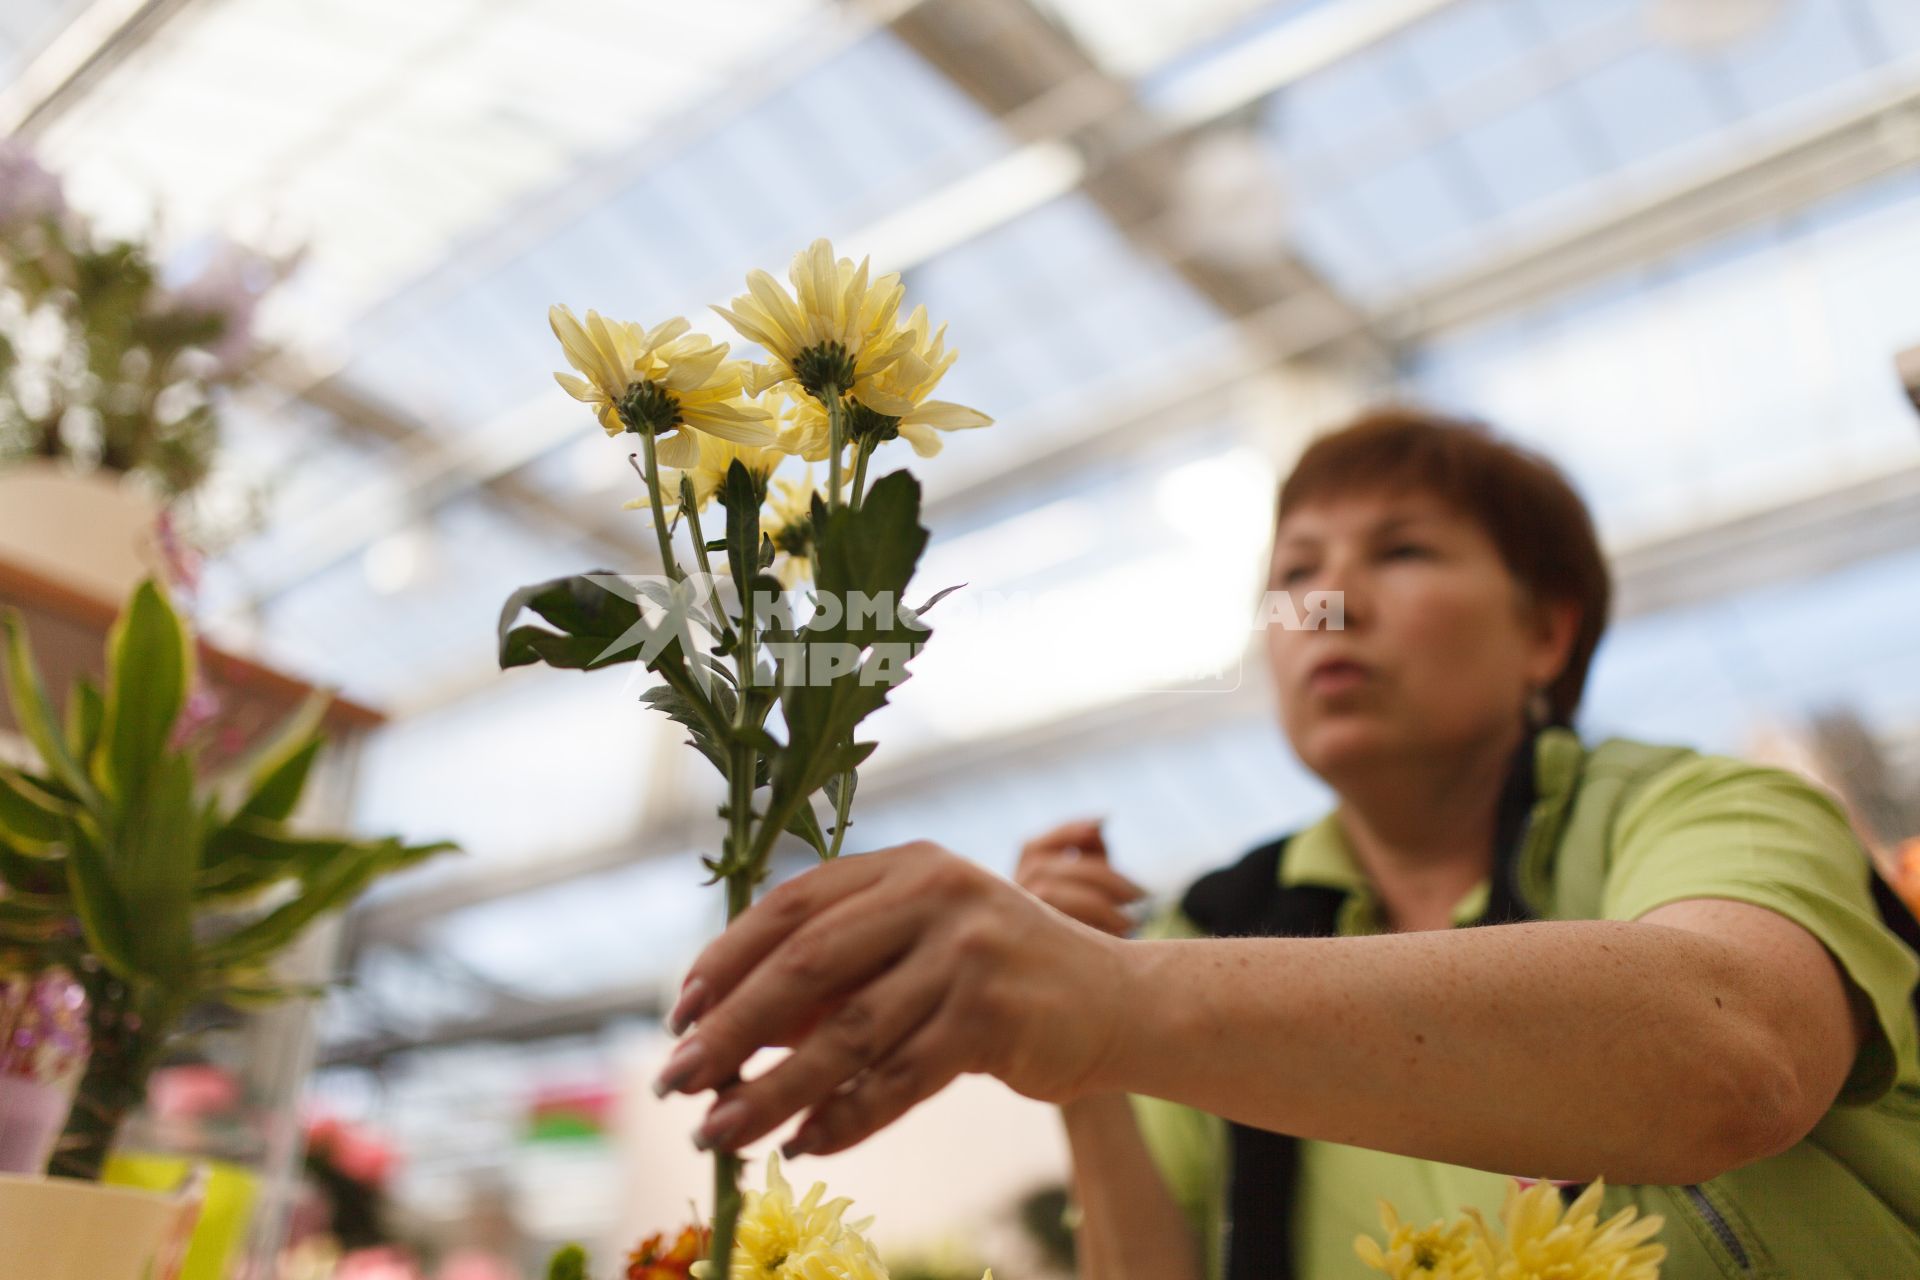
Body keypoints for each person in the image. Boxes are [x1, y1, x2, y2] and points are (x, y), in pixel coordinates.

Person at [652, 408, 1920, 1278]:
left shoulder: (1703, 812)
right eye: (1297, 568)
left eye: (1404, 550)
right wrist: (1085, 1070)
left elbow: (1733, 1050)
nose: (1330, 600)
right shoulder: (1222, 922)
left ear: (1547, 634)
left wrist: (1107, 995)